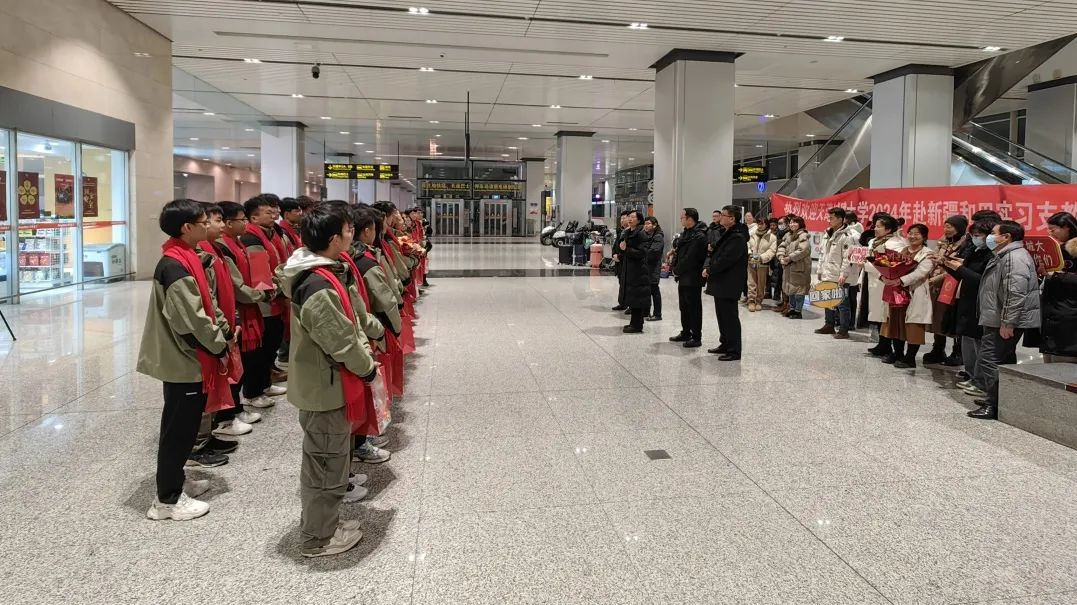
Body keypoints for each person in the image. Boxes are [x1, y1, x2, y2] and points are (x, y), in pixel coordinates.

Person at [279, 204, 379, 557]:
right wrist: (367, 367)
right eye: (349, 230)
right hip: (324, 386)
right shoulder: (318, 285)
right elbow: (340, 340)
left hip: (327, 382)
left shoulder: (322, 273)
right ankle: (318, 538)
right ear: (335, 238)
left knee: (331, 458)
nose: (353, 235)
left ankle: (326, 524)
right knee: (324, 462)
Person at [138, 199, 232, 521]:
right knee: (178, 430)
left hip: (189, 357)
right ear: (186, 227)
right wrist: (219, 345)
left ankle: (177, 481)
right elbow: (191, 321)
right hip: (183, 360)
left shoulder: (187, 256)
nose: (208, 226)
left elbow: (206, 305)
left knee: (186, 425)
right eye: (203, 222)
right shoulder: (175, 266)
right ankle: (167, 500)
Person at [969, 220, 1041, 420]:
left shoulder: (1014, 258)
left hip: (1003, 319)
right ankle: (1000, 400)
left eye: (994, 233)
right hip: (998, 317)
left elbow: (1015, 293)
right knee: (1004, 359)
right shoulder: (1005, 254)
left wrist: (1008, 322)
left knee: (989, 359)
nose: (990, 237)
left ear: (1006, 237)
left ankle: (993, 405)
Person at [214, 202, 269, 430]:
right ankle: (227, 416)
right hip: (234, 313)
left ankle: (235, 408)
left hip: (242, 310)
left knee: (243, 363)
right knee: (234, 366)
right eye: (242, 219)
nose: (245, 223)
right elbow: (235, 287)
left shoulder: (233, 244)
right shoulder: (220, 248)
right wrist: (261, 295)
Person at [240, 195, 289, 408]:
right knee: (259, 350)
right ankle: (253, 392)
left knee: (271, 344)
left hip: (274, 297)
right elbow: (260, 273)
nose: (273, 215)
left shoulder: (271, 233)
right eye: (268, 212)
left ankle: (265, 383)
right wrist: (274, 290)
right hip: (263, 301)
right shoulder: (251, 238)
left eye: (274, 211)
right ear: (254, 218)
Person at [942, 218, 998, 398]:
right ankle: (972, 376)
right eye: (973, 235)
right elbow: (963, 273)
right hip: (967, 301)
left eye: (979, 235)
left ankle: (981, 381)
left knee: (979, 343)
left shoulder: (992, 255)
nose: (975, 238)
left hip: (981, 303)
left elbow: (982, 280)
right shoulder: (975, 251)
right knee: (967, 341)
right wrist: (946, 264)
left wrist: (960, 269)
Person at [880, 223, 934, 368]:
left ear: (924, 237)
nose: (912, 236)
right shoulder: (900, 251)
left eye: (917, 234)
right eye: (910, 233)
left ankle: (910, 358)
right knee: (896, 324)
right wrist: (884, 276)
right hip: (896, 293)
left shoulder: (928, 254)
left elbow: (921, 273)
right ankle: (898, 354)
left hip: (915, 293)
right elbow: (887, 266)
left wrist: (900, 280)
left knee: (914, 327)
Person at [703, 205, 749, 360]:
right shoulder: (728, 233)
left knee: (730, 317)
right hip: (721, 281)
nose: (720, 217)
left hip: (729, 281)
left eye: (723, 215)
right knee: (722, 315)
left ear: (732, 219)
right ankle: (725, 343)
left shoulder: (738, 237)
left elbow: (726, 259)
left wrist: (710, 269)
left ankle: (734, 350)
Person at [924, 215, 969, 366]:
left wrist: (936, 279)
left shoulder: (965, 245)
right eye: (945, 226)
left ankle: (958, 351)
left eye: (950, 227)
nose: (946, 230)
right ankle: (938, 348)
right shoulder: (943, 241)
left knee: (952, 317)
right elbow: (934, 258)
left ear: (959, 228)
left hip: (953, 285)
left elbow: (957, 267)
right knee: (938, 317)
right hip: (936, 285)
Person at [864, 215, 908, 357]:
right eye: (875, 226)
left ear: (888, 229)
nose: (875, 229)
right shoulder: (873, 241)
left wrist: (868, 265)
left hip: (886, 282)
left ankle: (888, 344)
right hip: (873, 280)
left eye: (879, 226)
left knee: (886, 314)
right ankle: (882, 344)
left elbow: (892, 264)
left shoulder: (896, 244)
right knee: (877, 313)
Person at [1039, 211, 1077, 363]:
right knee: (1048, 361)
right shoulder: (1056, 248)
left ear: (1066, 227)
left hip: (1069, 313)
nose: (1050, 233)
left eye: (1053, 229)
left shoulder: (1072, 249)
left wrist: (1055, 276)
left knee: (1063, 364)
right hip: (1052, 310)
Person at [669, 208, 709, 348]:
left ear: (690, 219)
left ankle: (696, 337)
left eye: (682, 217)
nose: (680, 219)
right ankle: (685, 332)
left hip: (693, 276)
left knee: (694, 308)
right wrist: (674, 267)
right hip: (683, 276)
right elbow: (679, 252)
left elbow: (691, 258)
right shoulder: (686, 233)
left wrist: (677, 270)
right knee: (684, 307)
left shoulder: (699, 235)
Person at [815, 207, 855, 338]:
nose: (829, 220)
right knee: (828, 300)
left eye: (831, 218)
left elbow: (847, 258)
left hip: (838, 275)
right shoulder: (827, 233)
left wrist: (844, 274)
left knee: (842, 303)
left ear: (840, 219)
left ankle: (844, 329)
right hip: (827, 272)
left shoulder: (846, 236)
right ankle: (829, 325)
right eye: (829, 217)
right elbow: (822, 253)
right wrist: (819, 269)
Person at [619, 211, 651, 333]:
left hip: (639, 271)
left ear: (639, 220)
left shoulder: (641, 233)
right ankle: (634, 323)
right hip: (630, 269)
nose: (630, 219)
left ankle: (637, 325)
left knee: (637, 298)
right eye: (629, 217)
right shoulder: (628, 232)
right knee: (632, 298)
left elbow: (642, 252)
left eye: (633, 217)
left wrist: (627, 249)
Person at [777, 216, 811, 319]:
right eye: (791, 222)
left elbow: (803, 250)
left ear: (800, 224)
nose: (792, 224)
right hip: (789, 267)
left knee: (799, 290)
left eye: (795, 222)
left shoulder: (803, 235)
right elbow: (781, 246)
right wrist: (781, 256)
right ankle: (792, 308)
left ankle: (798, 311)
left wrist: (789, 258)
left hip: (800, 267)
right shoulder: (788, 235)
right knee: (790, 289)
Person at [746, 217, 777, 312]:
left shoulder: (772, 237)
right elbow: (747, 245)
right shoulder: (752, 234)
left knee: (761, 283)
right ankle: (751, 300)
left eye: (762, 223)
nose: (759, 225)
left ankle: (759, 301)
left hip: (763, 263)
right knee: (751, 282)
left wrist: (761, 257)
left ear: (766, 224)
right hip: (751, 262)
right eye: (758, 223)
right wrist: (749, 254)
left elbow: (772, 251)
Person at [642, 217, 665, 321]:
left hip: (653, 267)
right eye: (645, 224)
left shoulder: (658, 237)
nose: (646, 226)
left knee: (654, 290)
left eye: (648, 224)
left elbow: (653, 253)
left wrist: (642, 253)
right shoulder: (647, 235)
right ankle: (646, 312)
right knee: (647, 290)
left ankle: (657, 314)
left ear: (654, 225)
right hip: (646, 267)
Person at [611, 211, 631, 312]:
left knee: (628, 284)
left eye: (624, 218)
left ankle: (631, 305)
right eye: (621, 218)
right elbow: (616, 245)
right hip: (618, 262)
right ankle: (623, 303)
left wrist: (619, 256)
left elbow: (628, 248)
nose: (622, 220)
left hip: (626, 261)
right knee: (621, 283)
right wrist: (614, 255)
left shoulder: (631, 232)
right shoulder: (621, 231)